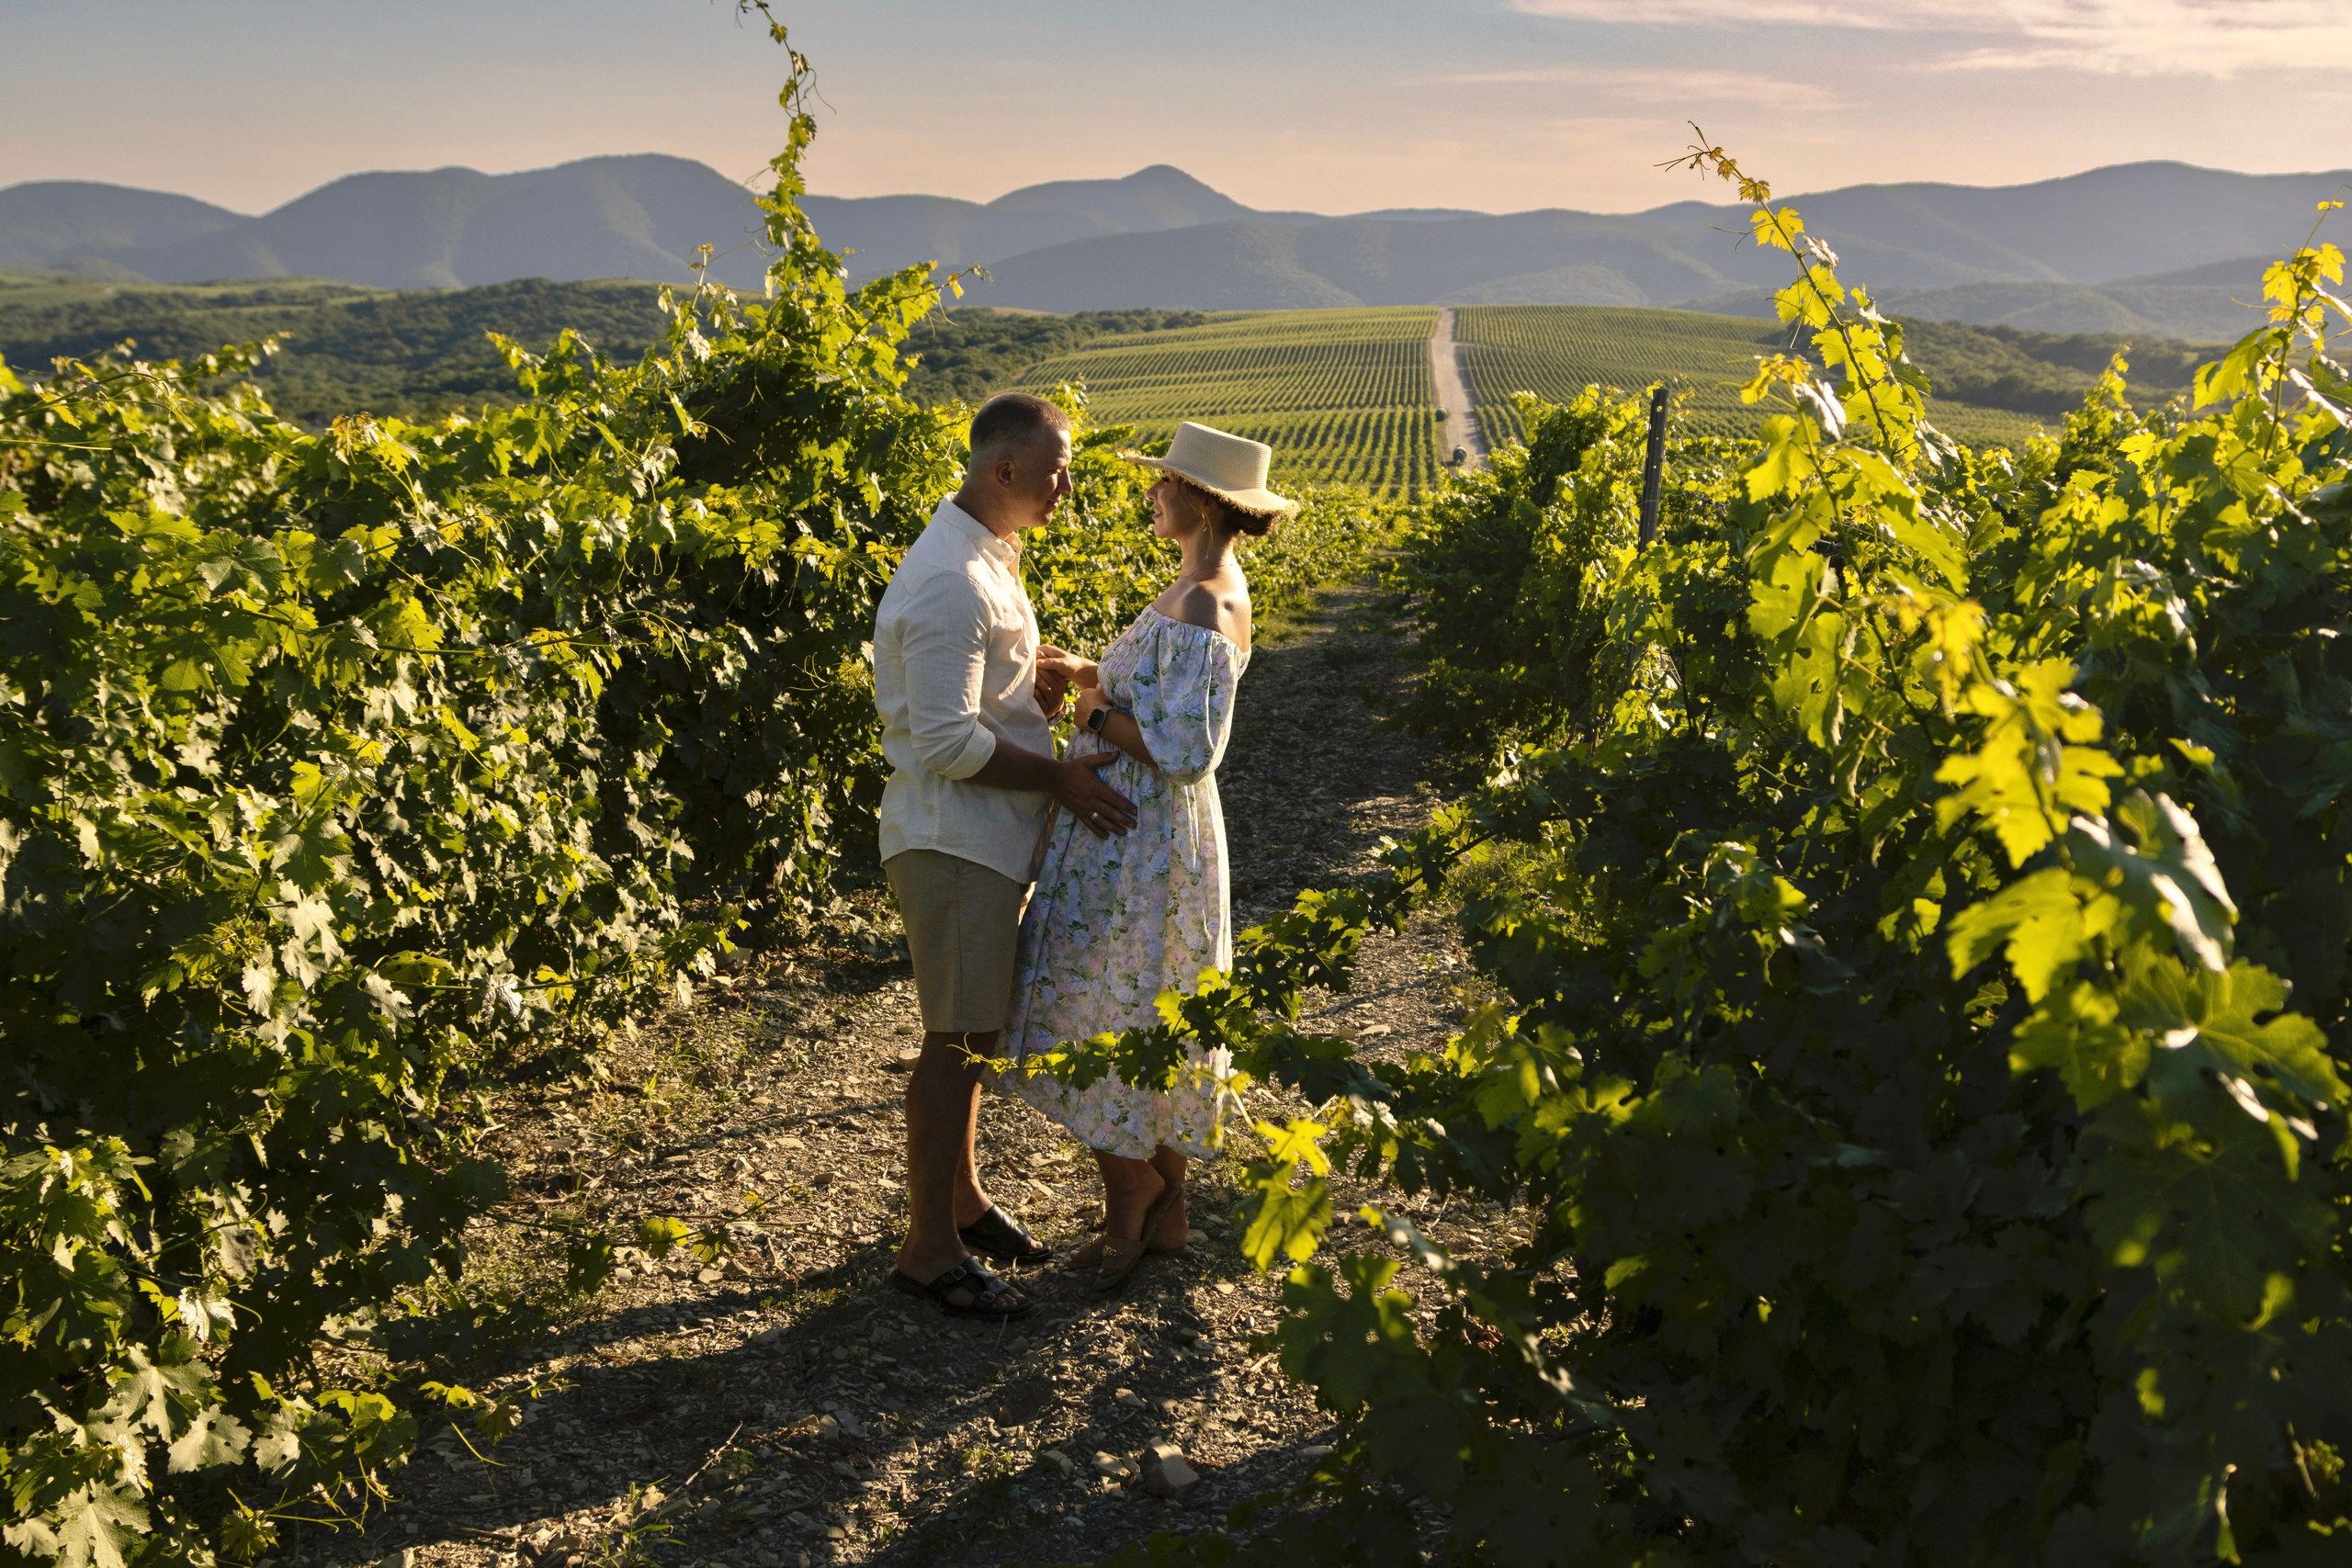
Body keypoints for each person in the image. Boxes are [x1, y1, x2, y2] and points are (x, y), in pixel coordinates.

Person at [1003, 422, 1296, 1291]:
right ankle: (1158, 1207)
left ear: (1204, 500)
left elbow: (1182, 748)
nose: (1151, 493)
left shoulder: (1209, 598)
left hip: (1143, 839)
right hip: (1141, 835)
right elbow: (1163, 694)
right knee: (1137, 1010)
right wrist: (1091, 670)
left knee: (1099, 1010)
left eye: (1165, 482)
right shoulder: (1194, 587)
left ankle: (1136, 1200)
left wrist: (1088, 714)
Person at [872, 391, 1137, 1320]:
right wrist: (1061, 779)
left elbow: (977, 688)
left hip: (979, 841)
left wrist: (1040, 676)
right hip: (951, 842)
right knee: (953, 1044)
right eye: (1058, 467)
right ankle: (927, 1250)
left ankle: (961, 1200)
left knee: (974, 1032)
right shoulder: (950, 579)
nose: (1069, 483)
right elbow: (943, 744)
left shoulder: (984, 555)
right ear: (1006, 471)